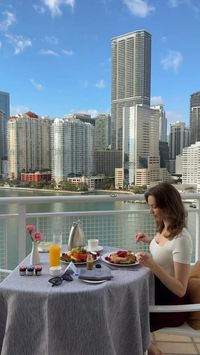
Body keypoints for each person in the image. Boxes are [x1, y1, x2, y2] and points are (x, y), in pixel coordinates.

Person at [135, 182, 193, 355]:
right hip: (155, 292)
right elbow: (164, 249)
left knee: (128, 314)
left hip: (170, 303)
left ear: (167, 205)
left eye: (154, 207)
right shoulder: (164, 227)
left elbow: (181, 290)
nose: (150, 211)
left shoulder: (182, 239)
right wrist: (148, 240)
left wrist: (152, 265)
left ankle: (152, 350)